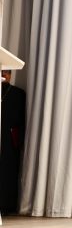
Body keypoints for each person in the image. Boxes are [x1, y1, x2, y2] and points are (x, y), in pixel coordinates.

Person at [0, 70, 26, 215]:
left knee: (8, 172)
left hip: (9, 139)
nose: (4, 75)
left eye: (7, 72)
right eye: (1, 72)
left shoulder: (18, 94)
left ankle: (7, 205)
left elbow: (22, 120)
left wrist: (19, 141)